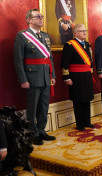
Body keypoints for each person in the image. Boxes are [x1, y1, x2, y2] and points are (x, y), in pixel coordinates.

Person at [14, 9, 56, 145]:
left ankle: (41, 130)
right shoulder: (22, 36)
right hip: (32, 77)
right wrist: (23, 79)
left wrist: (52, 75)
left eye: (41, 16)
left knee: (44, 106)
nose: (41, 18)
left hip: (45, 76)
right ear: (29, 20)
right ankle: (34, 133)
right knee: (32, 108)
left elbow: (49, 58)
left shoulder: (45, 36)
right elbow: (18, 60)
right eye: (37, 16)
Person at [61, 24, 94, 131]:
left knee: (87, 99)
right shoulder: (69, 45)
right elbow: (64, 63)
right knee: (78, 100)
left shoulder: (87, 44)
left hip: (87, 75)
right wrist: (67, 77)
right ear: (75, 33)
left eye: (85, 30)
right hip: (76, 77)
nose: (85, 32)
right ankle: (80, 124)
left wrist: (91, 74)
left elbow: (91, 62)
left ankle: (87, 122)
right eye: (82, 31)